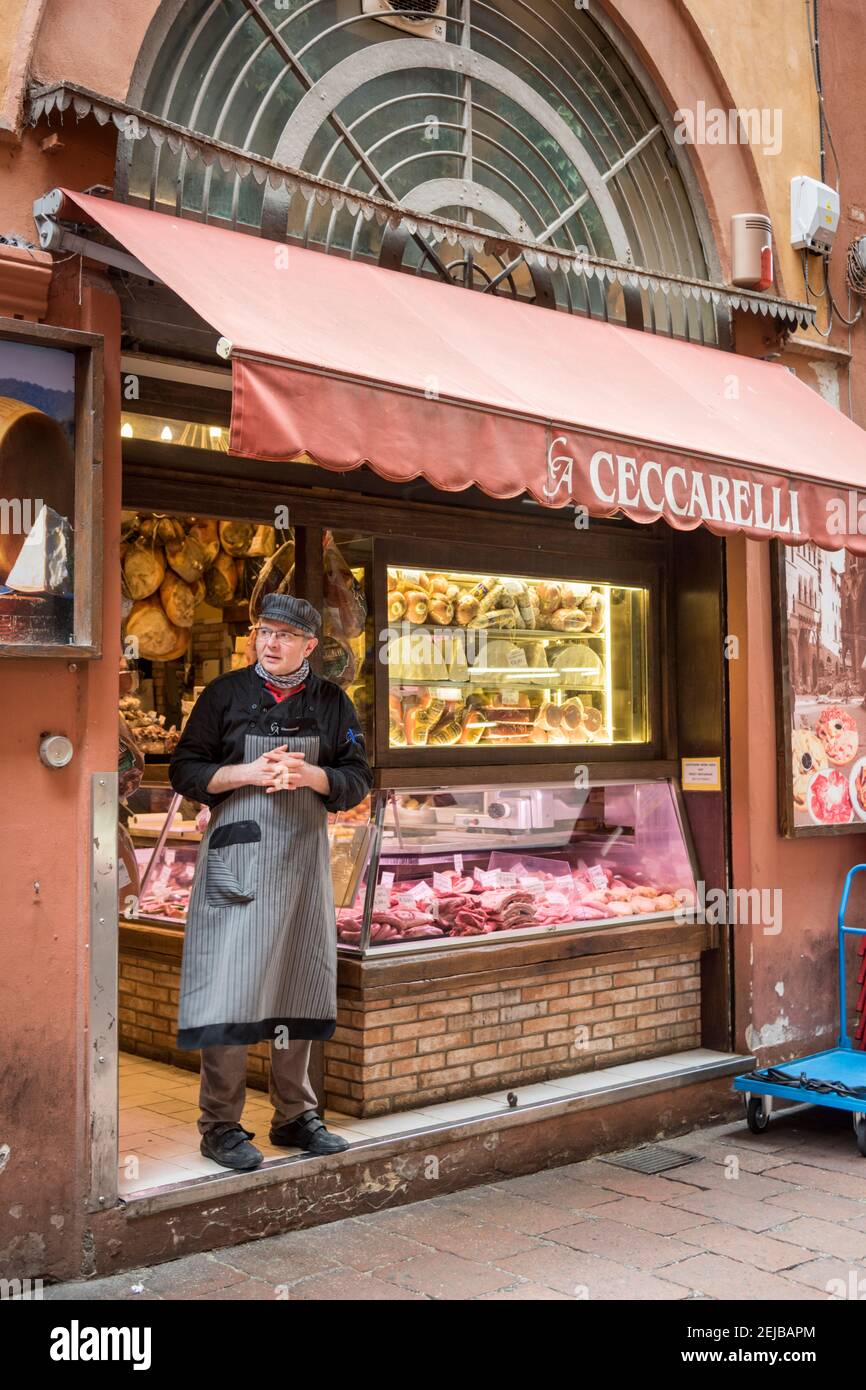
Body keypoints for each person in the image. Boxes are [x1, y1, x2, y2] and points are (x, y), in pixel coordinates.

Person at [169, 593, 373, 1170]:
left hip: (302, 865)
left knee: (297, 986)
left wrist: (314, 775)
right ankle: (221, 1125)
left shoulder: (333, 702)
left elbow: (358, 778)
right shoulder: (225, 694)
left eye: (284, 635)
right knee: (230, 989)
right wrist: (245, 773)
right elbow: (186, 768)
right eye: (264, 632)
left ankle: (294, 1116)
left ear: (310, 645)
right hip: (237, 862)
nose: (271, 643)